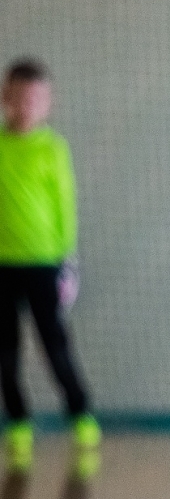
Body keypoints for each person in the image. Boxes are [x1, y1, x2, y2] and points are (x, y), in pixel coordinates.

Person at [0, 59, 98, 472]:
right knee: (6, 352)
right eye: (19, 98)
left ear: (47, 104)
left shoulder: (53, 149)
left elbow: (65, 205)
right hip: (3, 266)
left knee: (55, 346)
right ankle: (18, 423)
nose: (27, 106)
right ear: (5, 98)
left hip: (44, 264)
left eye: (35, 100)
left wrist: (67, 261)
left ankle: (81, 415)